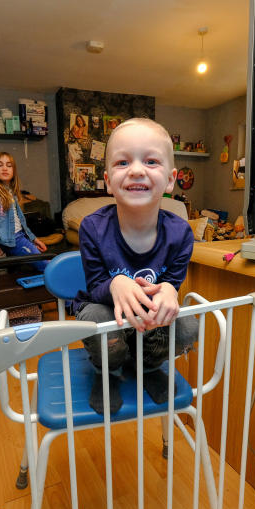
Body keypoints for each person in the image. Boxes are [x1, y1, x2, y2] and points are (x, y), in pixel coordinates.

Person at [74, 118, 198, 415]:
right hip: (106, 311)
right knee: (93, 318)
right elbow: (95, 286)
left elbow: (171, 281)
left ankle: (149, 367)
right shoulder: (91, 227)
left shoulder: (182, 234)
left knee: (188, 327)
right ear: (107, 180)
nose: (137, 170)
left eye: (151, 160)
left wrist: (169, 289)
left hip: (147, 317)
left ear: (171, 179)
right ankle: (108, 372)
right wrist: (116, 284)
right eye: (122, 162)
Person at [0, 152, 48, 271]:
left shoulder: (10, 190)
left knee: (46, 263)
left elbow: (19, 221)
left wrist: (34, 239)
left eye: (9, 165)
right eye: (0, 165)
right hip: (12, 240)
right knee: (47, 266)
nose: (5, 168)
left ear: (13, 170)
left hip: (18, 237)